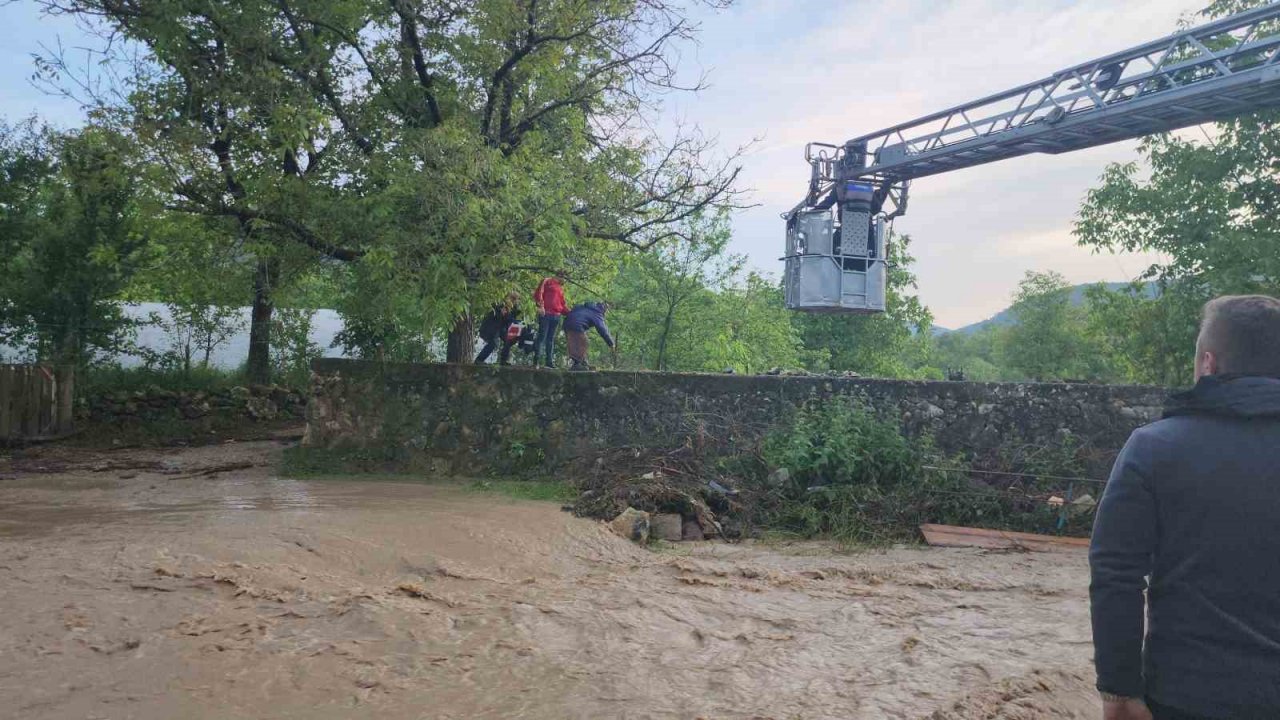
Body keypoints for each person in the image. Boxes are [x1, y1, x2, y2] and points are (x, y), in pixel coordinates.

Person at [1090, 295, 1280, 720]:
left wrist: (1119, 690)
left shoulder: (1154, 447)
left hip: (1187, 694)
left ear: (1208, 364)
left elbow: (1115, 574)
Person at [562, 301, 616, 371]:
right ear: (604, 310)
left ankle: (583, 363)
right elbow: (602, 329)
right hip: (576, 325)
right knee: (582, 343)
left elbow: (574, 311)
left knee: (578, 342)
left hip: (567, 323)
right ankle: (577, 364)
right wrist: (611, 344)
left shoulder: (586, 307)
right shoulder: (597, 313)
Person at [474, 292, 521, 365]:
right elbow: (498, 315)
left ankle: (503, 361)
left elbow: (510, 320)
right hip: (490, 327)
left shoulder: (513, 308)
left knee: (508, 341)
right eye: (514, 299)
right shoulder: (500, 304)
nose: (515, 302)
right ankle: (479, 360)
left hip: (500, 327)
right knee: (492, 343)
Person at [532, 276, 568, 369]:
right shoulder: (547, 281)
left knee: (551, 340)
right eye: (566, 278)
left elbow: (562, 304)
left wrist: (571, 313)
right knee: (542, 337)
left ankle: (549, 362)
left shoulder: (560, 288)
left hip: (556, 316)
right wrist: (541, 306)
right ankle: (536, 361)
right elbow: (539, 293)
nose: (566, 281)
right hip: (546, 314)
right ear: (561, 275)